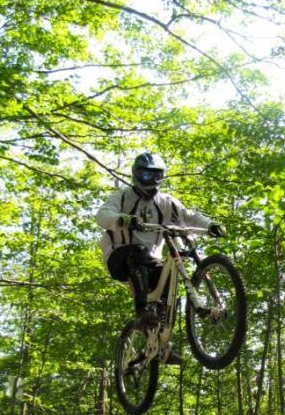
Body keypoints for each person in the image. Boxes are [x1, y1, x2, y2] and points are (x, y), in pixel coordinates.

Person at [96, 152, 226, 364]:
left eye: (157, 176)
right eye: (146, 175)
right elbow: (102, 215)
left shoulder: (166, 202)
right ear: (137, 175)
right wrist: (123, 220)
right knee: (138, 252)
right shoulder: (122, 197)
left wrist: (210, 225)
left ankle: (161, 344)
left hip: (151, 259)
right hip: (119, 253)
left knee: (168, 285)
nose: (152, 181)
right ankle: (142, 313)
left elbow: (189, 216)